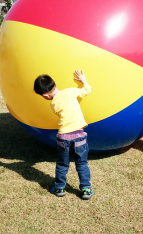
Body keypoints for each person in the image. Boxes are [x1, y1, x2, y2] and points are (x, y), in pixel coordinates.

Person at [34, 70, 94, 199]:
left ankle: (59, 188)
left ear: (45, 95)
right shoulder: (71, 91)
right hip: (79, 136)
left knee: (62, 163)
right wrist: (83, 80)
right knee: (82, 163)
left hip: (64, 137)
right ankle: (86, 189)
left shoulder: (53, 104)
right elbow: (87, 90)